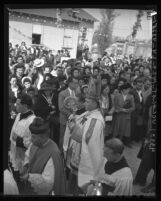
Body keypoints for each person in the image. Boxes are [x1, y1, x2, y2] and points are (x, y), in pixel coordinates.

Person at [66, 83, 105, 194]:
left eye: (87, 102)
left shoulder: (95, 120)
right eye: (85, 101)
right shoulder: (89, 113)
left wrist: (72, 126)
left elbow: (86, 139)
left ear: (95, 103)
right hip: (78, 153)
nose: (84, 103)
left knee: (81, 185)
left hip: (84, 158)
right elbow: (81, 123)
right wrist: (73, 118)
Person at [20, 117, 66, 195]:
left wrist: (29, 177)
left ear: (44, 137)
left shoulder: (53, 153)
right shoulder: (35, 144)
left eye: (34, 137)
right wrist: (25, 166)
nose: (31, 139)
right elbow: (28, 155)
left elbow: (48, 183)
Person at [9, 94, 36, 193]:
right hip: (15, 154)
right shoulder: (19, 115)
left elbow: (32, 142)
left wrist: (18, 140)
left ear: (25, 105)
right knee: (16, 181)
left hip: (24, 159)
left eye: (18, 103)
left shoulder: (32, 120)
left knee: (23, 184)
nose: (16, 105)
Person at [58, 77, 79, 151]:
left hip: (75, 119)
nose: (77, 84)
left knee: (73, 137)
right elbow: (61, 107)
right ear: (70, 83)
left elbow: (77, 105)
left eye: (77, 83)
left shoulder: (77, 93)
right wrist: (70, 115)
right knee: (63, 137)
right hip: (65, 119)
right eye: (75, 83)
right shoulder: (62, 93)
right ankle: (61, 153)